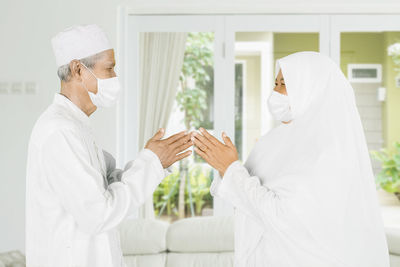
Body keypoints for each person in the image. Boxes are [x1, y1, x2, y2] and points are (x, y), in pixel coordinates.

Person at [192, 51, 390, 267]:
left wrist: (231, 169)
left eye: (284, 83)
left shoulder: (329, 151)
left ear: (311, 88)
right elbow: (247, 201)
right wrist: (225, 168)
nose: (275, 92)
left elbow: (287, 218)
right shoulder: (272, 141)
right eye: (275, 83)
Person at [25, 24, 192, 267]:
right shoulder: (60, 131)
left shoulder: (76, 125)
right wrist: (152, 163)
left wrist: (154, 159)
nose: (115, 78)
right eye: (110, 69)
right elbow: (98, 214)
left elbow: (107, 184)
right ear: (78, 69)